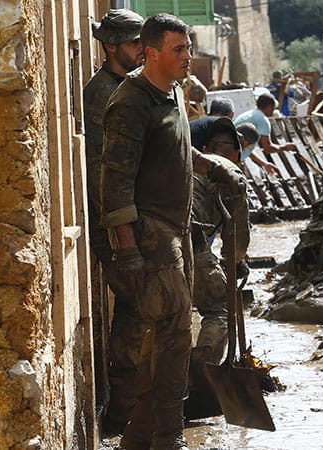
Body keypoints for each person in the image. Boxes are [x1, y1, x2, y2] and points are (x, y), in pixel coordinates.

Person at [100, 13, 238, 449]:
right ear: (151, 53)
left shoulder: (174, 92)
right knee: (174, 331)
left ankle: (139, 436)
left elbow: (177, 148)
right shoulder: (130, 103)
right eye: (179, 49)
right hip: (149, 232)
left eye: (189, 48)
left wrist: (211, 164)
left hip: (179, 228)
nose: (188, 57)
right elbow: (115, 183)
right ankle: (167, 435)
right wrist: (127, 252)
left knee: (170, 332)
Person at [82, 8, 145, 435]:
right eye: (135, 43)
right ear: (111, 46)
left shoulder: (129, 87)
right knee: (134, 312)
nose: (143, 50)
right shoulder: (102, 93)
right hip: (118, 225)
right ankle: (122, 411)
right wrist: (123, 234)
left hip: (138, 219)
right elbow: (106, 171)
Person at [191, 118, 250, 361]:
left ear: (205, 150)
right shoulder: (232, 175)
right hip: (190, 240)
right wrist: (235, 262)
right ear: (237, 154)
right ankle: (203, 373)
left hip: (147, 236)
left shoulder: (187, 161)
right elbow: (237, 235)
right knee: (222, 308)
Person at [234, 92, 297, 170]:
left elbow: (247, 148)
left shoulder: (249, 114)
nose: (274, 110)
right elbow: (267, 148)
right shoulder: (262, 120)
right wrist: (284, 147)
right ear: (269, 107)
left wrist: (264, 164)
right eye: (274, 107)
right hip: (234, 158)